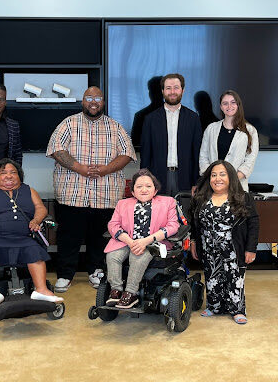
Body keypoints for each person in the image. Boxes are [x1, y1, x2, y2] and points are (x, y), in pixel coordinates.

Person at [47, 86, 136, 292]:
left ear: (103, 102)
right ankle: (65, 275)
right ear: (82, 101)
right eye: (89, 98)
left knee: (100, 237)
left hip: (105, 194)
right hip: (72, 194)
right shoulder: (68, 123)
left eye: (98, 98)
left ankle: (96, 271)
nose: (93, 102)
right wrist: (80, 168)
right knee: (68, 236)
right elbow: (56, 149)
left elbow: (127, 154)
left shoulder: (116, 127)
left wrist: (105, 170)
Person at [0, 158, 63, 313]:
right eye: (3, 173)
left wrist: (36, 219)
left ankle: (41, 290)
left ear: (20, 176)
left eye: (13, 172)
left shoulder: (29, 190)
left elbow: (40, 208)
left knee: (34, 250)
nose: (9, 176)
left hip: (24, 237)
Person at [189, 160, 259, 324]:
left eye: (222, 174)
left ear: (231, 177)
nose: (217, 179)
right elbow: (194, 222)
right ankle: (214, 306)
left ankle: (237, 309)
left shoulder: (243, 198)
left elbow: (254, 223)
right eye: (213, 175)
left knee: (235, 279)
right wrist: (193, 241)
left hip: (234, 248)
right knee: (212, 277)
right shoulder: (201, 198)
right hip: (208, 247)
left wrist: (251, 248)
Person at [104, 169, 179, 308]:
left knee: (137, 256)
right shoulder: (123, 204)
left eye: (148, 186)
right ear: (132, 191)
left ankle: (131, 293)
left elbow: (173, 226)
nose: (144, 190)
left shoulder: (168, 202)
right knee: (113, 256)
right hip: (127, 241)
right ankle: (116, 290)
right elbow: (113, 224)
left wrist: (146, 240)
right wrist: (129, 241)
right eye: (139, 186)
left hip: (153, 242)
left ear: (155, 190)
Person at [140, 73, 202, 196]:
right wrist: (144, 181)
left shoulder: (193, 118)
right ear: (162, 91)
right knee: (159, 215)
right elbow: (145, 154)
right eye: (168, 88)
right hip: (157, 178)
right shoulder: (150, 119)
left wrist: (197, 182)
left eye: (176, 88)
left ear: (183, 90)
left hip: (186, 178)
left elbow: (197, 153)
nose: (172, 91)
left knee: (184, 215)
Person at [199, 90, 259, 191]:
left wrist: (230, 180)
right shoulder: (211, 128)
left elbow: (250, 160)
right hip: (212, 187)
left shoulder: (250, 130)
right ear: (221, 107)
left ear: (238, 105)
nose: (229, 106)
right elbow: (203, 157)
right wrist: (213, 178)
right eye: (225, 103)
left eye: (233, 102)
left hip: (237, 187)